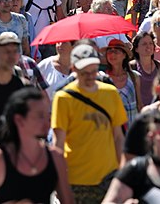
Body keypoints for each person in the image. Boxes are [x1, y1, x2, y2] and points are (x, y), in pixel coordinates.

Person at [52, 44, 127, 201]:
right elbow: (58, 143)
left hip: (108, 176)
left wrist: (122, 174)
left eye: (93, 70)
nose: (90, 76)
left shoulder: (111, 93)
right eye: (84, 72)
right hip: (76, 179)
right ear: (74, 69)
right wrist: (59, 182)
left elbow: (118, 137)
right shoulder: (63, 98)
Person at [0, 87, 73, 204]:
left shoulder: (56, 158)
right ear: (19, 120)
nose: (47, 122)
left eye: (47, 115)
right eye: (39, 116)